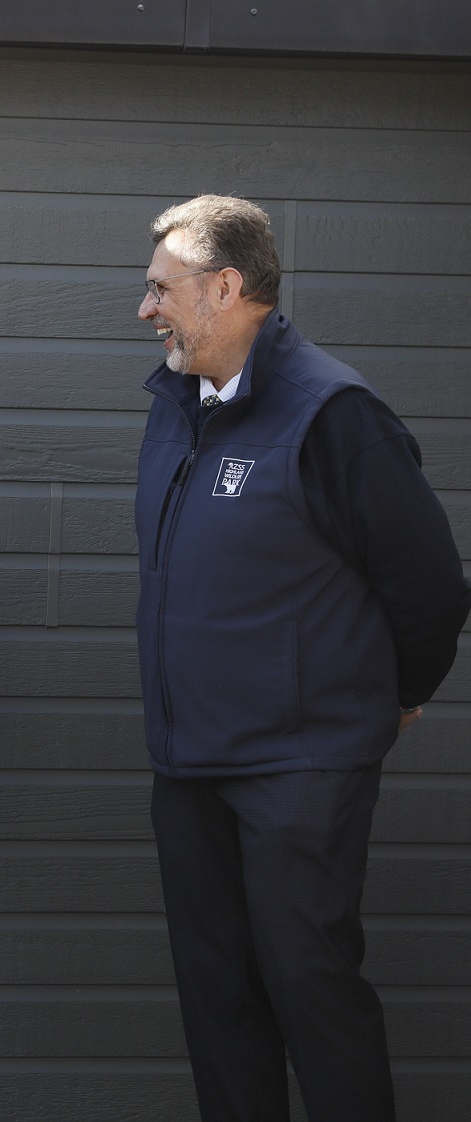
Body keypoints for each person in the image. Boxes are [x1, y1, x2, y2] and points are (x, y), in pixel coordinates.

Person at [133, 195, 469, 1121]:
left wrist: (393, 697)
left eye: (162, 288)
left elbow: (431, 586)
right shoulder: (174, 407)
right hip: (189, 766)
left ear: (225, 287)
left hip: (300, 770)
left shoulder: (334, 414)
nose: (146, 307)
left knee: (311, 992)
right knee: (220, 1008)